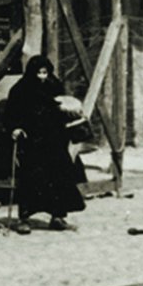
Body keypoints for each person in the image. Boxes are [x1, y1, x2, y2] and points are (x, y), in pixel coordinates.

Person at [5, 55, 86, 234]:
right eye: (39, 73)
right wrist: (15, 128)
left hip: (54, 140)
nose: (42, 76)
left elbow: (63, 109)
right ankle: (24, 218)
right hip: (32, 141)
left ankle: (57, 216)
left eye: (45, 72)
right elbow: (11, 113)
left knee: (59, 177)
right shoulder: (20, 89)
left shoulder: (54, 86)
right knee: (30, 179)